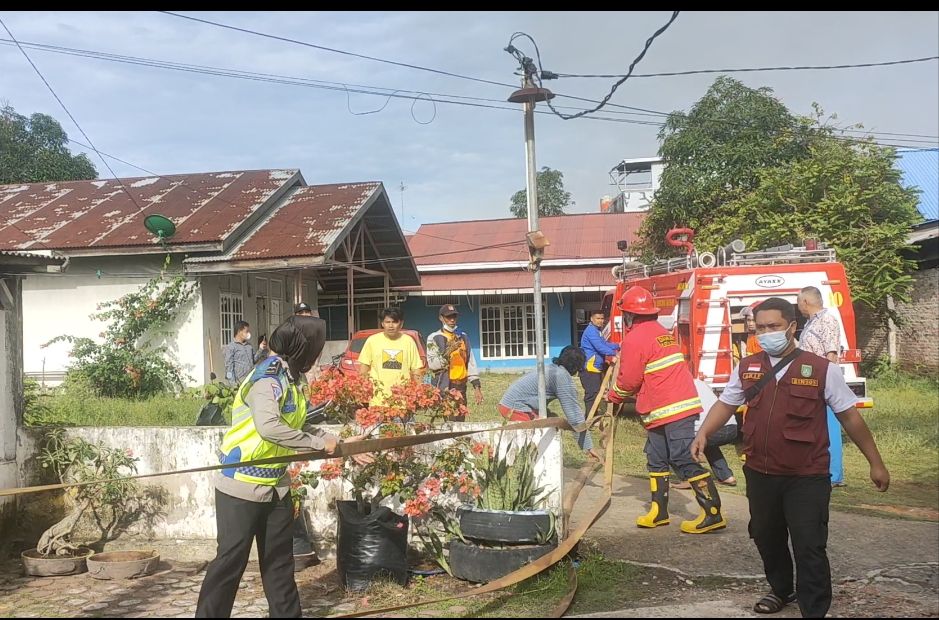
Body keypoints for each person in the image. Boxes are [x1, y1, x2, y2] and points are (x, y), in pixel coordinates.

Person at [691, 297, 889, 617]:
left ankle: (814, 609)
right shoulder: (748, 367)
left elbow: (850, 417)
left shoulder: (821, 369)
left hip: (806, 474)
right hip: (760, 471)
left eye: (774, 326)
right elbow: (726, 404)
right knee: (765, 535)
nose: (766, 333)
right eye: (761, 328)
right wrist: (703, 433)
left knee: (808, 543)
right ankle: (782, 589)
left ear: (792, 327)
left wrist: (875, 463)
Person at [196, 315, 370, 618]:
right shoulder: (267, 379)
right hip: (241, 486)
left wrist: (339, 442)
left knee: (279, 565)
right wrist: (319, 445)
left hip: (276, 487)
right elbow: (270, 429)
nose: (317, 357)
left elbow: (299, 425)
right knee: (229, 564)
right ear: (301, 348)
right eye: (315, 350)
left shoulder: (290, 379)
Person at [605, 285, 725, 534]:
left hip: (673, 408)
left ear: (628, 315)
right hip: (662, 409)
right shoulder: (660, 332)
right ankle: (659, 512)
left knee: (682, 457)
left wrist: (614, 395)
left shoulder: (635, 338)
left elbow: (628, 381)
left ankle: (713, 512)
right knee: (656, 458)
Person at [498, 345, 597, 458]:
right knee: (537, 437)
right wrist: (589, 447)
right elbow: (574, 415)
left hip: (509, 403)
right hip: (515, 408)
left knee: (553, 421)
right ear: (576, 367)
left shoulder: (552, 368)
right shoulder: (562, 377)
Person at [797, 286, 846, 487]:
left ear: (806, 302)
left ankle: (834, 475)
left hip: (823, 383)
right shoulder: (810, 323)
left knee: (829, 427)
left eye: (799, 302)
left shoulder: (827, 321)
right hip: (809, 383)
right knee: (816, 427)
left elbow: (831, 355)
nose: (798, 306)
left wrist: (825, 384)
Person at [671, 379, 738, 489]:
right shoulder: (700, 382)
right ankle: (726, 476)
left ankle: (691, 478)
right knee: (708, 443)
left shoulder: (680, 384)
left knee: (675, 445)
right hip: (730, 426)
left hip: (706, 427)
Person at [426, 304, 482, 421]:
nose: (452, 320)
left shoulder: (463, 337)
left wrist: (476, 387)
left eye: (454, 317)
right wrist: (448, 352)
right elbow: (433, 364)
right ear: (441, 318)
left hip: (461, 385)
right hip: (446, 385)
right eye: (448, 317)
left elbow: (470, 361)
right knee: (450, 419)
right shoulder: (434, 337)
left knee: (461, 419)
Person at [358, 307, 424, 405]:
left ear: (401, 324)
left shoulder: (408, 341)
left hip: (402, 400)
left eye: (394, 322)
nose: (391, 326)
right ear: (382, 323)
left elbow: (416, 369)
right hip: (378, 400)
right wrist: (363, 391)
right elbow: (364, 369)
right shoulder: (372, 341)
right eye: (387, 322)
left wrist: (418, 393)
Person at [579, 309, 620, 415]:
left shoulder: (597, 331)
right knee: (592, 394)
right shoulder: (591, 331)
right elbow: (600, 347)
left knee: (596, 392)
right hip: (590, 367)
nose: (600, 321)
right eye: (598, 318)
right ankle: (589, 419)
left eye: (602, 318)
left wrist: (618, 346)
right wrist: (613, 354)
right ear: (591, 319)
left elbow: (604, 344)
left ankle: (593, 416)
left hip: (596, 367)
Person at [223, 320, 268, 385]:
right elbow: (228, 367)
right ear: (239, 332)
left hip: (251, 380)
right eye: (246, 331)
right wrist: (233, 384)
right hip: (239, 382)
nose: (248, 333)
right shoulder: (231, 347)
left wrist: (260, 349)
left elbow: (254, 360)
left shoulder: (249, 346)